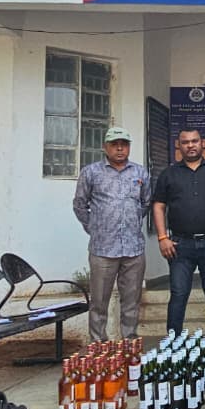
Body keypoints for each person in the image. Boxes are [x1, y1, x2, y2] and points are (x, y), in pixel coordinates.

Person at [72, 126, 151, 343]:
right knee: (99, 302)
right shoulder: (91, 172)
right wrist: (94, 227)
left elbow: (146, 203)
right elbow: (79, 205)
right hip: (103, 249)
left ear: (129, 147)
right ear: (105, 147)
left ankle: (129, 343)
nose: (119, 148)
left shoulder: (140, 173)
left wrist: (132, 222)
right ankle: (98, 345)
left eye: (124, 144)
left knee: (131, 301)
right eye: (114, 144)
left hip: (133, 249)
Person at [152, 127, 205, 338]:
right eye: (185, 142)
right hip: (179, 245)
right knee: (178, 294)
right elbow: (158, 206)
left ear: (202, 143)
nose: (190, 145)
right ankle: (173, 341)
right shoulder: (168, 174)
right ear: (179, 146)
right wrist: (162, 238)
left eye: (194, 141)